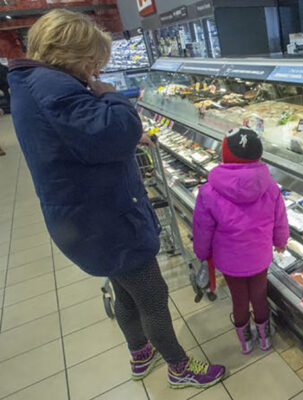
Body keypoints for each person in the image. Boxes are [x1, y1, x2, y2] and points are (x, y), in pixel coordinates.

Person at [7, 9, 225, 388]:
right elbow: (114, 130)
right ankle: (179, 367)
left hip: (83, 220)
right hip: (107, 221)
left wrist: (114, 135)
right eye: (93, 61)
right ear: (71, 53)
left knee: (124, 289)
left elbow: (78, 141)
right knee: (153, 296)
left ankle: (140, 354)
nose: (95, 71)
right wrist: (113, 101)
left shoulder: (30, 83)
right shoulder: (56, 89)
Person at [192, 127, 289, 354]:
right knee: (259, 296)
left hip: (229, 260)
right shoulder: (270, 187)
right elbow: (280, 220)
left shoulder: (208, 192)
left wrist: (202, 252)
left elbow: (202, 229)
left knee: (239, 300)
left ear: (225, 154)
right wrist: (280, 242)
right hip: (259, 256)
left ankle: (246, 341)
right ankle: (265, 338)